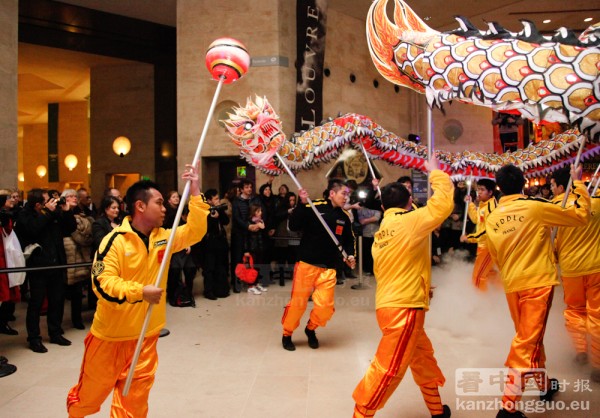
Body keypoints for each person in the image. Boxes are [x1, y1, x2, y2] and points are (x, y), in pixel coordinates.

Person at [66, 164, 209, 418]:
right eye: (159, 202)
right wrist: (139, 291)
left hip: (145, 337)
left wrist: (195, 193)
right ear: (140, 206)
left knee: (133, 405)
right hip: (109, 338)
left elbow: (196, 231)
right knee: (88, 399)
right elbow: (102, 283)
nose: (165, 208)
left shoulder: (164, 237)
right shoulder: (114, 241)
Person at [485, 164, 590, 418]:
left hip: (513, 284)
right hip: (537, 283)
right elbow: (580, 217)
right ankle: (507, 407)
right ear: (523, 183)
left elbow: (495, 255)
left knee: (530, 338)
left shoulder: (492, 217)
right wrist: (577, 184)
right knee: (526, 342)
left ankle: (544, 386)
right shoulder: (535, 207)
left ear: (499, 187)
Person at [352, 157, 454, 418]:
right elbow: (442, 204)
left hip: (391, 304)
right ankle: (361, 414)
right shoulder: (409, 222)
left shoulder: (383, 230)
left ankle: (436, 410)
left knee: (422, 360)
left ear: (384, 205)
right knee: (388, 370)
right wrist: (435, 173)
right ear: (409, 202)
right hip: (404, 309)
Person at [280, 179, 356, 351]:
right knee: (298, 304)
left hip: (329, 267)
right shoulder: (314, 207)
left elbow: (349, 240)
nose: (346, 198)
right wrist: (302, 204)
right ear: (332, 193)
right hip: (307, 263)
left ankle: (311, 328)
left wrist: (350, 255)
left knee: (325, 307)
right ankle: (287, 333)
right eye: (343, 194)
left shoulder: (344, 217)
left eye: (348, 195)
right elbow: (293, 225)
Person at [551, 167, 600, 383]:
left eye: (552, 185)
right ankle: (598, 364)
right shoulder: (595, 202)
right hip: (596, 267)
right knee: (597, 314)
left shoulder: (553, 207)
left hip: (570, 270)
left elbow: (550, 242)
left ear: (562, 187)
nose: (551, 189)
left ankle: (581, 351)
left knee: (574, 311)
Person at [15, 188, 77, 353]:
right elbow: (32, 230)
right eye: (46, 201)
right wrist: (48, 213)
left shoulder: (53, 213)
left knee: (57, 300)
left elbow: (69, 228)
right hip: (38, 265)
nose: (52, 203)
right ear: (37, 204)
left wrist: (66, 212)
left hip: (57, 263)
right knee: (36, 303)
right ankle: (34, 338)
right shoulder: (25, 215)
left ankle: (55, 332)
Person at [61, 189, 93, 330]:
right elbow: (69, 229)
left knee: (78, 291)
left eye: (75, 196)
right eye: (70, 196)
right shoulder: (61, 213)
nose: (74, 198)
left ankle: (77, 319)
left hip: (81, 255)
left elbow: (87, 232)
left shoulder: (82, 213)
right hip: (67, 255)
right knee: (62, 292)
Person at [460, 178, 499, 290]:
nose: (479, 192)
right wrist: (470, 204)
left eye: (482, 189)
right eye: (478, 189)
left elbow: (488, 231)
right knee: (490, 275)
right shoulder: (484, 205)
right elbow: (477, 219)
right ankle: (495, 299)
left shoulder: (492, 207)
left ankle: (480, 302)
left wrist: (469, 237)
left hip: (488, 246)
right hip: (482, 246)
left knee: (478, 276)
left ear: (490, 192)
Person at [90, 196, 122, 311]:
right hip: (104, 261)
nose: (117, 210)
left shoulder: (120, 222)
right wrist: (116, 231)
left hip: (119, 259)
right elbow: (101, 242)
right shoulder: (98, 223)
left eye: (118, 208)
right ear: (106, 209)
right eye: (113, 208)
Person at [197, 189, 230, 300]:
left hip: (221, 241)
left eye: (218, 198)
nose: (218, 200)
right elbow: (205, 228)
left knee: (221, 265)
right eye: (215, 198)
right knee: (209, 267)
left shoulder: (219, 209)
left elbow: (226, 221)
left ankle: (220, 289)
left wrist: (219, 213)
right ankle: (208, 291)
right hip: (209, 243)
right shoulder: (204, 210)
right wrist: (213, 218)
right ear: (209, 200)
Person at [230, 179, 260, 293]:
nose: (249, 189)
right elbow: (237, 218)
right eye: (246, 187)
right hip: (239, 234)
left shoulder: (254, 200)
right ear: (241, 189)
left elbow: (257, 213)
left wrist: (257, 224)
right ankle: (236, 283)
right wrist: (248, 226)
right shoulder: (236, 202)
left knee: (251, 260)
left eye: (250, 187)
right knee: (237, 259)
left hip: (252, 235)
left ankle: (251, 282)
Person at [0, 190, 20, 337]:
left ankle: (3, 322)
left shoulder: (7, 215)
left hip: (6, 257)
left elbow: (8, 231)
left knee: (6, 295)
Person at [244, 203, 268, 295]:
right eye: (258, 211)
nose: (261, 213)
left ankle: (256, 283)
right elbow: (246, 238)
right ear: (253, 213)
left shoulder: (261, 221)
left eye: (261, 211)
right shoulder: (249, 223)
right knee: (252, 269)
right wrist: (246, 250)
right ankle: (251, 286)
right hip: (252, 249)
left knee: (258, 267)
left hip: (259, 247)